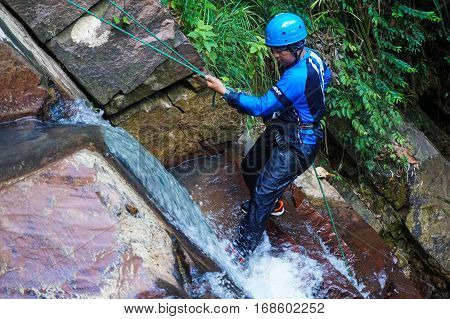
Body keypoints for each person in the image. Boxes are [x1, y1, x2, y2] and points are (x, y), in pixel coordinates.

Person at [205, 13, 332, 263]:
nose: (275, 56)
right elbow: (326, 77)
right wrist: (302, 103)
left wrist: (225, 92)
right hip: (286, 127)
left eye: (280, 52)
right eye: (273, 50)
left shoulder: (296, 77)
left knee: (263, 191)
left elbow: (260, 107)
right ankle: (273, 206)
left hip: (299, 143)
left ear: (296, 48)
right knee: (250, 167)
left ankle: (242, 252)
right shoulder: (312, 56)